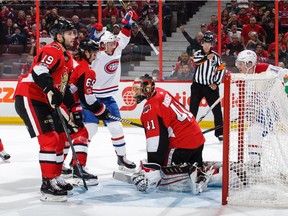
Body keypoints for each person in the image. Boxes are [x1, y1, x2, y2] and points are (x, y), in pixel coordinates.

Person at [14, 19, 77, 202]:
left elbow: (63, 89)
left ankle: (55, 176)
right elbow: (39, 69)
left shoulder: (69, 58)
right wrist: (50, 89)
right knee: (50, 138)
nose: (74, 36)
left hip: (43, 99)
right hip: (29, 96)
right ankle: (47, 182)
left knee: (60, 137)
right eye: (69, 33)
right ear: (59, 36)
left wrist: (73, 110)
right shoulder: (53, 49)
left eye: (74, 33)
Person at [130, 74, 212, 194]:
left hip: (182, 147)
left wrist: (153, 168)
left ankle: (188, 171)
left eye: (137, 89)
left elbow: (156, 142)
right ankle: (199, 169)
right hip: (197, 140)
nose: (134, 93)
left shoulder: (150, 108)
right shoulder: (161, 92)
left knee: (163, 171)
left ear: (146, 89)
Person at [82, 9, 139, 171]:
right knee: (90, 130)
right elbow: (84, 50)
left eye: (114, 42)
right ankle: (78, 161)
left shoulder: (118, 47)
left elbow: (125, 33)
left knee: (116, 128)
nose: (113, 45)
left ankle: (122, 158)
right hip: (91, 98)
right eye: (110, 43)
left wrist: (127, 20)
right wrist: (92, 36)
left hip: (108, 99)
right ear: (102, 44)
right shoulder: (96, 54)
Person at [62, 39, 111, 186]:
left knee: (64, 137)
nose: (95, 57)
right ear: (87, 53)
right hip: (65, 105)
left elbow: (75, 92)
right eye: (94, 53)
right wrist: (101, 110)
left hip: (62, 104)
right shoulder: (86, 70)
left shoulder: (75, 64)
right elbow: (87, 97)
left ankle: (59, 168)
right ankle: (78, 169)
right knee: (82, 134)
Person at [190, 31, 225, 142]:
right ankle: (189, 131)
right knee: (192, 110)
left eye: (209, 43)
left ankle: (219, 133)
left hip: (210, 87)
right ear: (202, 43)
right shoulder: (197, 54)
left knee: (217, 111)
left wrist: (216, 83)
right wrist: (206, 58)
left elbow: (221, 69)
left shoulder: (216, 56)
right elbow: (196, 61)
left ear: (212, 44)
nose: (206, 45)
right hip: (197, 86)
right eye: (205, 43)